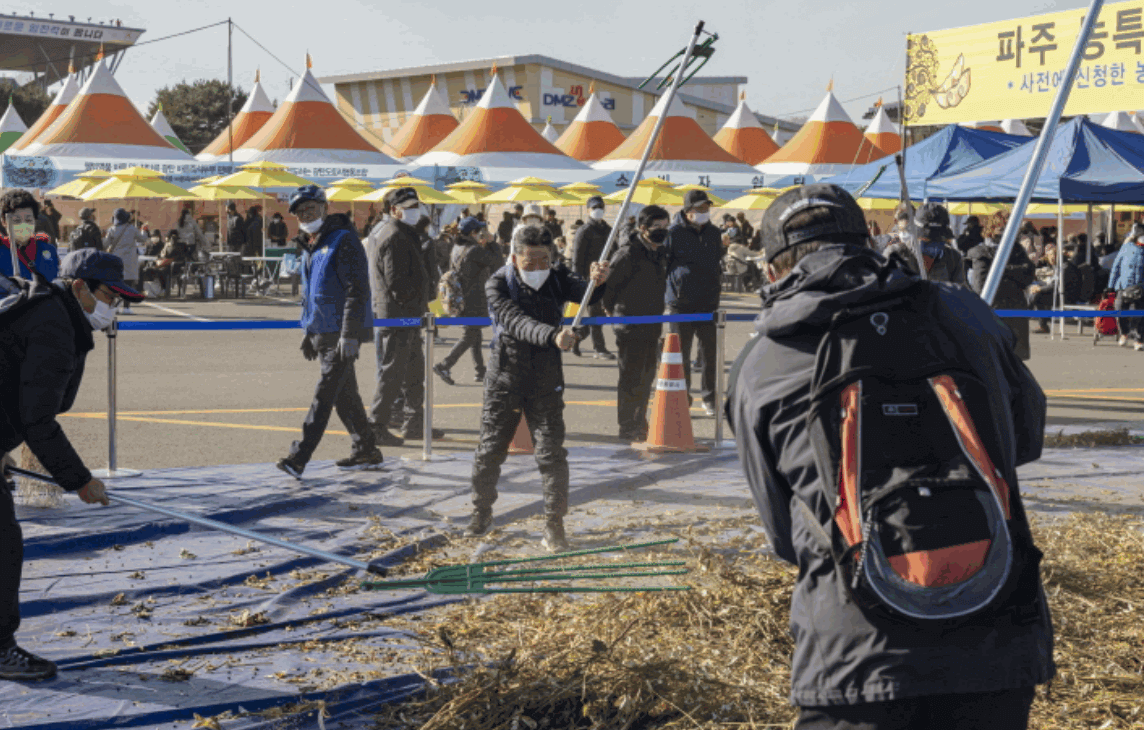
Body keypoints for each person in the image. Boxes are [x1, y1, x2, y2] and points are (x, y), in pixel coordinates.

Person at [726, 183, 1053, 730]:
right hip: (996, 632)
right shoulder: (963, 312)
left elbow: (783, 533)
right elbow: (1028, 434)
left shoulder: (763, 360)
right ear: (870, 243)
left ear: (772, 272)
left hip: (853, 650)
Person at [1, 249, 146, 681]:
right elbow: (37, 419)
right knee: (4, 546)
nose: (113, 307)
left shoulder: (51, 309)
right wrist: (80, 481)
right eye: (109, 296)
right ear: (79, 286)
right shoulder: (53, 325)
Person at [466, 224, 609, 552]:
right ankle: (481, 513)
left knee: (552, 455)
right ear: (514, 258)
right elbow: (515, 322)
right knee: (489, 450)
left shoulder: (557, 276)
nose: (537, 269)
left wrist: (598, 282)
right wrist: (552, 335)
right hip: (505, 379)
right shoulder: (497, 283)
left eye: (544, 260)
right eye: (530, 263)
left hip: (546, 380)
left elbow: (587, 293)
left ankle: (554, 525)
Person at [275, 186, 382, 479]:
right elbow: (312, 293)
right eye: (300, 211)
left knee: (324, 395)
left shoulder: (342, 240)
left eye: (311, 208)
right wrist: (308, 331)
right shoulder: (311, 243)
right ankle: (366, 449)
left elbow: (356, 291)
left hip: (340, 335)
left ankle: (299, 457)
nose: (306, 215)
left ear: (325, 207)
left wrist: (349, 336)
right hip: (323, 333)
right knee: (344, 396)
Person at [366, 187, 428, 447]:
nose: (415, 211)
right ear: (394, 210)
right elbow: (397, 283)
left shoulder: (394, 232)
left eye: (416, 206)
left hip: (403, 315)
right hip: (400, 315)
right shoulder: (394, 236)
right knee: (393, 373)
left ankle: (414, 423)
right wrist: (416, 305)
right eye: (409, 207)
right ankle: (376, 425)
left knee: (414, 371)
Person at [602, 205, 668, 442]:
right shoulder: (628, 253)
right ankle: (627, 425)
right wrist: (613, 313)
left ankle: (639, 420)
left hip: (652, 323)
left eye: (665, 226)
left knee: (647, 375)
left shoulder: (659, 253)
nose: (662, 231)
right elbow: (609, 290)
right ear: (642, 229)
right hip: (629, 324)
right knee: (631, 377)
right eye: (656, 227)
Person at [663, 189, 723, 416]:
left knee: (710, 355)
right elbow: (665, 265)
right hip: (681, 303)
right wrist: (672, 290)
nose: (704, 212)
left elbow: (716, 261)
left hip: (708, 302)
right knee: (681, 355)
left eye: (707, 208)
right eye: (699, 209)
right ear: (688, 211)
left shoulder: (714, 233)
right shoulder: (673, 233)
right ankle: (683, 398)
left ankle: (709, 399)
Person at [434, 217, 499, 386]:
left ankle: (481, 372)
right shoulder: (474, 250)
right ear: (472, 233)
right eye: (479, 231)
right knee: (470, 335)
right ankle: (444, 365)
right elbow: (497, 263)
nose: (481, 234)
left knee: (475, 335)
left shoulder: (457, 247)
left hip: (462, 297)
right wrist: (492, 243)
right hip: (474, 298)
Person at [966, 232, 1037, 360]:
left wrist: (1001, 270)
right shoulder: (980, 252)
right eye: (1000, 230)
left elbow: (1028, 276)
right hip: (993, 310)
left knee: (1015, 361)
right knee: (991, 359)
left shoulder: (1017, 249)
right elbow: (981, 286)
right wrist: (1014, 273)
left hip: (1015, 311)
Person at [570, 195, 616, 360]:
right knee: (596, 313)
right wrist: (578, 282)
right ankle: (600, 348)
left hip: (606, 278)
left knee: (600, 316)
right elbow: (577, 259)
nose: (598, 211)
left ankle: (578, 336)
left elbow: (615, 252)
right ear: (588, 210)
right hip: (590, 279)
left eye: (600, 207)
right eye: (594, 208)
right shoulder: (584, 231)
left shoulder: (608, 229)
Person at [884, 202, 966, 285]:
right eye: (927, 238)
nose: (933, 242)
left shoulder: (953, 258)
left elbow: (961, 293)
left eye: (939, 238)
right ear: (915, 234)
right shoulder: (895, 255)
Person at [1, 190, 61, 280]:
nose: (23, 225)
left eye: (29, 220)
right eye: (17, 221)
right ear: (4, 222)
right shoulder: (2, 252)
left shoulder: (48, 249)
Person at [103, 208, 146, 314]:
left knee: (116, 284)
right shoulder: (132, 228)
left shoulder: (111, 229)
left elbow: (105, 244)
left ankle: (116, 307)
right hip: (129, 260)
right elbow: (143, 239)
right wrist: (144, 230)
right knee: (128, 284)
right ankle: (126, 308)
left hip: (116, 259)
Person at [1108, 225, 1144, 350]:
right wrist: (1110, 286)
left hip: (1141, 288)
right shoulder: (1126, 247)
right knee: (1119, 310)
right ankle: (1124, 333)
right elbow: (1116, 267)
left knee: (1139, 315)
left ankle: (1139, 339)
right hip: (1123, 286)